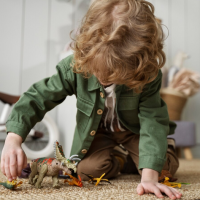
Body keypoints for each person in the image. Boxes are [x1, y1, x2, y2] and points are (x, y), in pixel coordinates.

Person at [1, 0, 182, 199]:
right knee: (87, 172)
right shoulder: (74, 67)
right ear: (87, 48)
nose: (104, 78)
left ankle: (144, 157)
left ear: (138, 62)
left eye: (114, 73)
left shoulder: (148, 74)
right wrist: (13, 139)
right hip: (98, 132)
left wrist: (149, 177)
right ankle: (122, 161)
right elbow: (37, 98)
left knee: (163, 169)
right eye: (99, 69)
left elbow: (152, 121)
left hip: (135, 131)